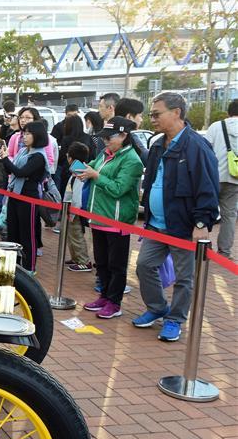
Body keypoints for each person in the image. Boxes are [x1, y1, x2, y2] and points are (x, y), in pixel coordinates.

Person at [133, 92, 220, 342]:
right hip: (157, 225)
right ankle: (157, 308)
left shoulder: (196, 146)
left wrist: (202, 222)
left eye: (156, 113)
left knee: (185, 278)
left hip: (183, 226)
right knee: (144, 265)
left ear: (176, 113)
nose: (152, 118)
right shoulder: (159, 143)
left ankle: (175, 319)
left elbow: (208, 186)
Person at [76, 117, 144, 318]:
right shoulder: (104, 154)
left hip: (117, 220)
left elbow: (119, 189)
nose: (106, 142)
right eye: (103, 138)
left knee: (117, 265)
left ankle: (114, 302)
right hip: (98, 218)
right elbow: (94, 169)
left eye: (109, 137)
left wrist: (96, 176)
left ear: (124, 135)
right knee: (102, 262)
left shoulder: (132, 160)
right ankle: (104, 296)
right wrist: (85, 171)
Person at [0, 121, 50, 273]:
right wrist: (4, 159)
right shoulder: (23, 151)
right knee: (13, 233)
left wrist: (6, 159)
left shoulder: (39, 156)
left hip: (29, 198)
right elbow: (11, 172)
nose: (24, 137)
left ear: (37, 135)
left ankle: (29, 268)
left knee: (28, 235)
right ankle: (14, 266)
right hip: (15, 194)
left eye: (28, 134)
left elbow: (21, 172)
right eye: (23, 133)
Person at [205, 99, 238, 260]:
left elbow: (204, 149)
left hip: (212, 177)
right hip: (234, 179)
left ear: (228, 112)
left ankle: (203, 246)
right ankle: (225, 252)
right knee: (229, 216)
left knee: (205, 212)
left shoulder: (216, 126)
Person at [63, 141, 93, 272]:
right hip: (72, 208)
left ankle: (83, 261)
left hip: (76, 209)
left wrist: (74, 210)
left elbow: (77, 194)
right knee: (71, 234)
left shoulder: (80, 172)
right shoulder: (78, 169)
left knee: (76, 235)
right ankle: (75, 257)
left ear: (70, 157)